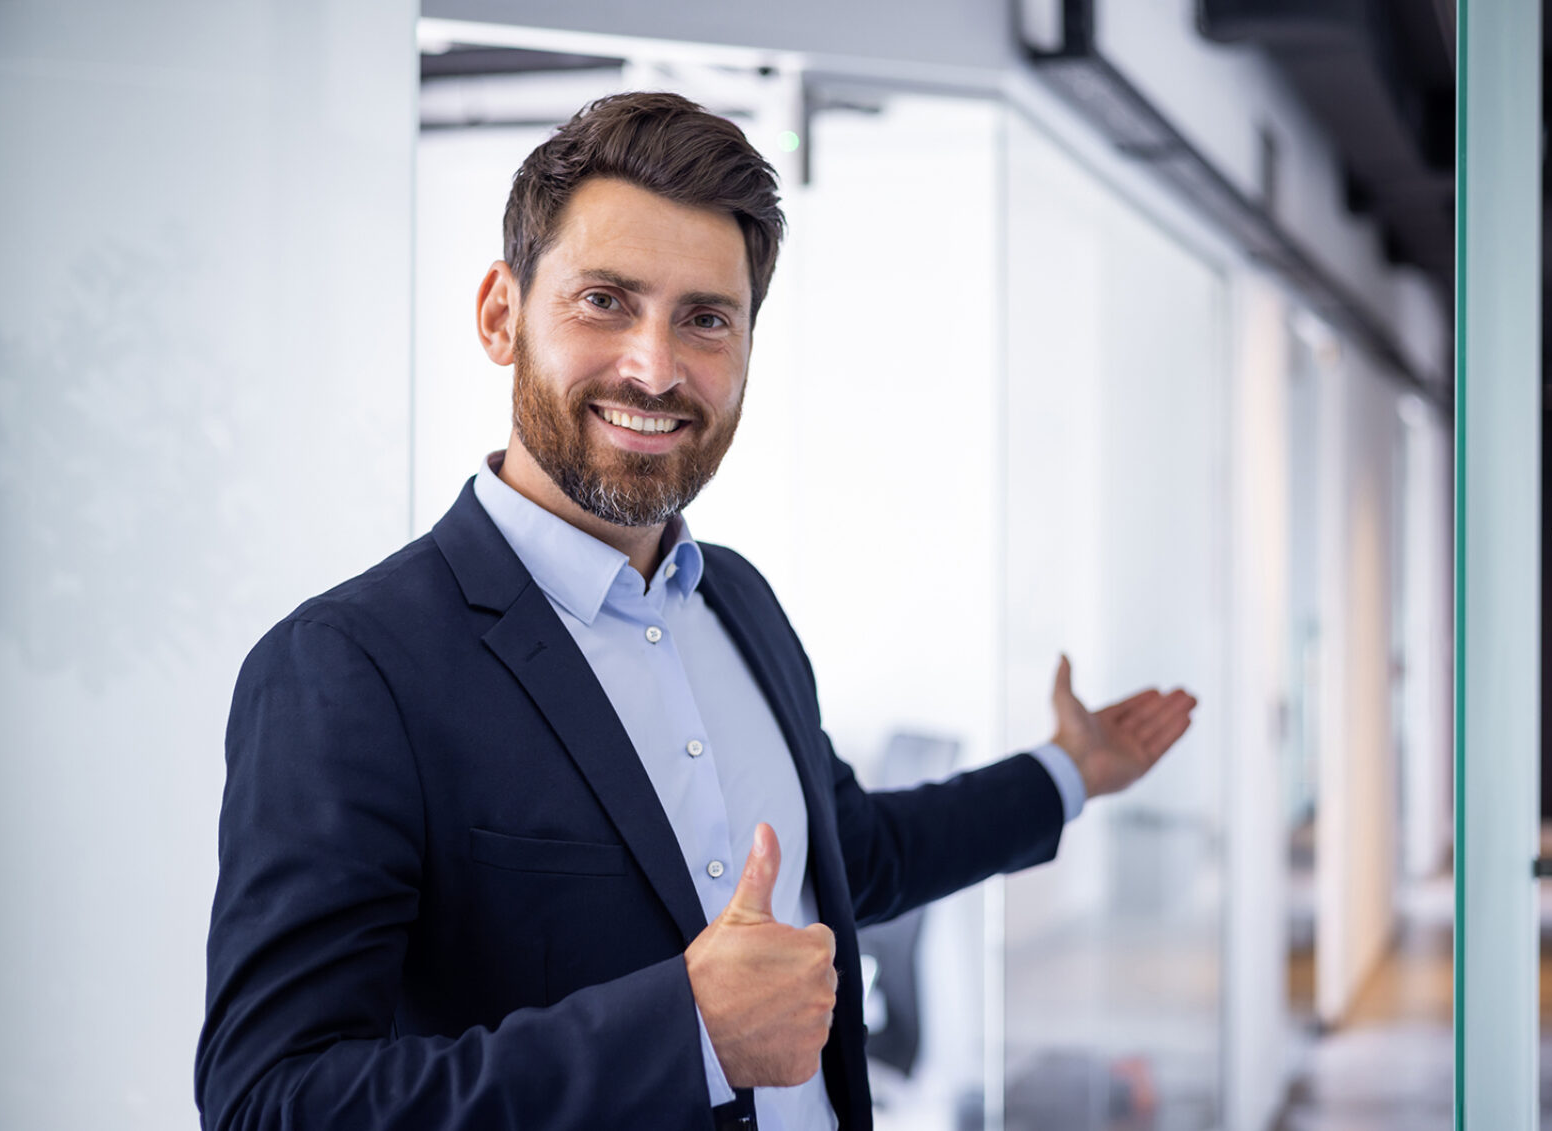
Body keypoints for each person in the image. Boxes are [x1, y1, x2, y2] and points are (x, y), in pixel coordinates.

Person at [194, 91, 1196, 1131]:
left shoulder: (739, 603)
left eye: (705, 319)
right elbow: (274, 1102)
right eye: (605, 301)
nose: (655, 367)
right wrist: (688, 1034)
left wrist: (1071, 772)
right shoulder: (350, 668)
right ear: (501, 314)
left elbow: (849, 855)